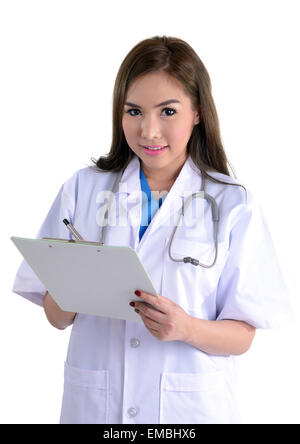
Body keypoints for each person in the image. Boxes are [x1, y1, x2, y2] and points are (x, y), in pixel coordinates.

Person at [12, 35, 293, 424]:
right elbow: (56, 318)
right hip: (97, 409)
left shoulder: (233, 204)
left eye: (167, 111)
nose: (149, 131)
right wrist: (77, 282)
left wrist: (186, 328)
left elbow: (243, 335)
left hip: (187, 410)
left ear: (197, 112)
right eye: (133, 111)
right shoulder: (83, 188)